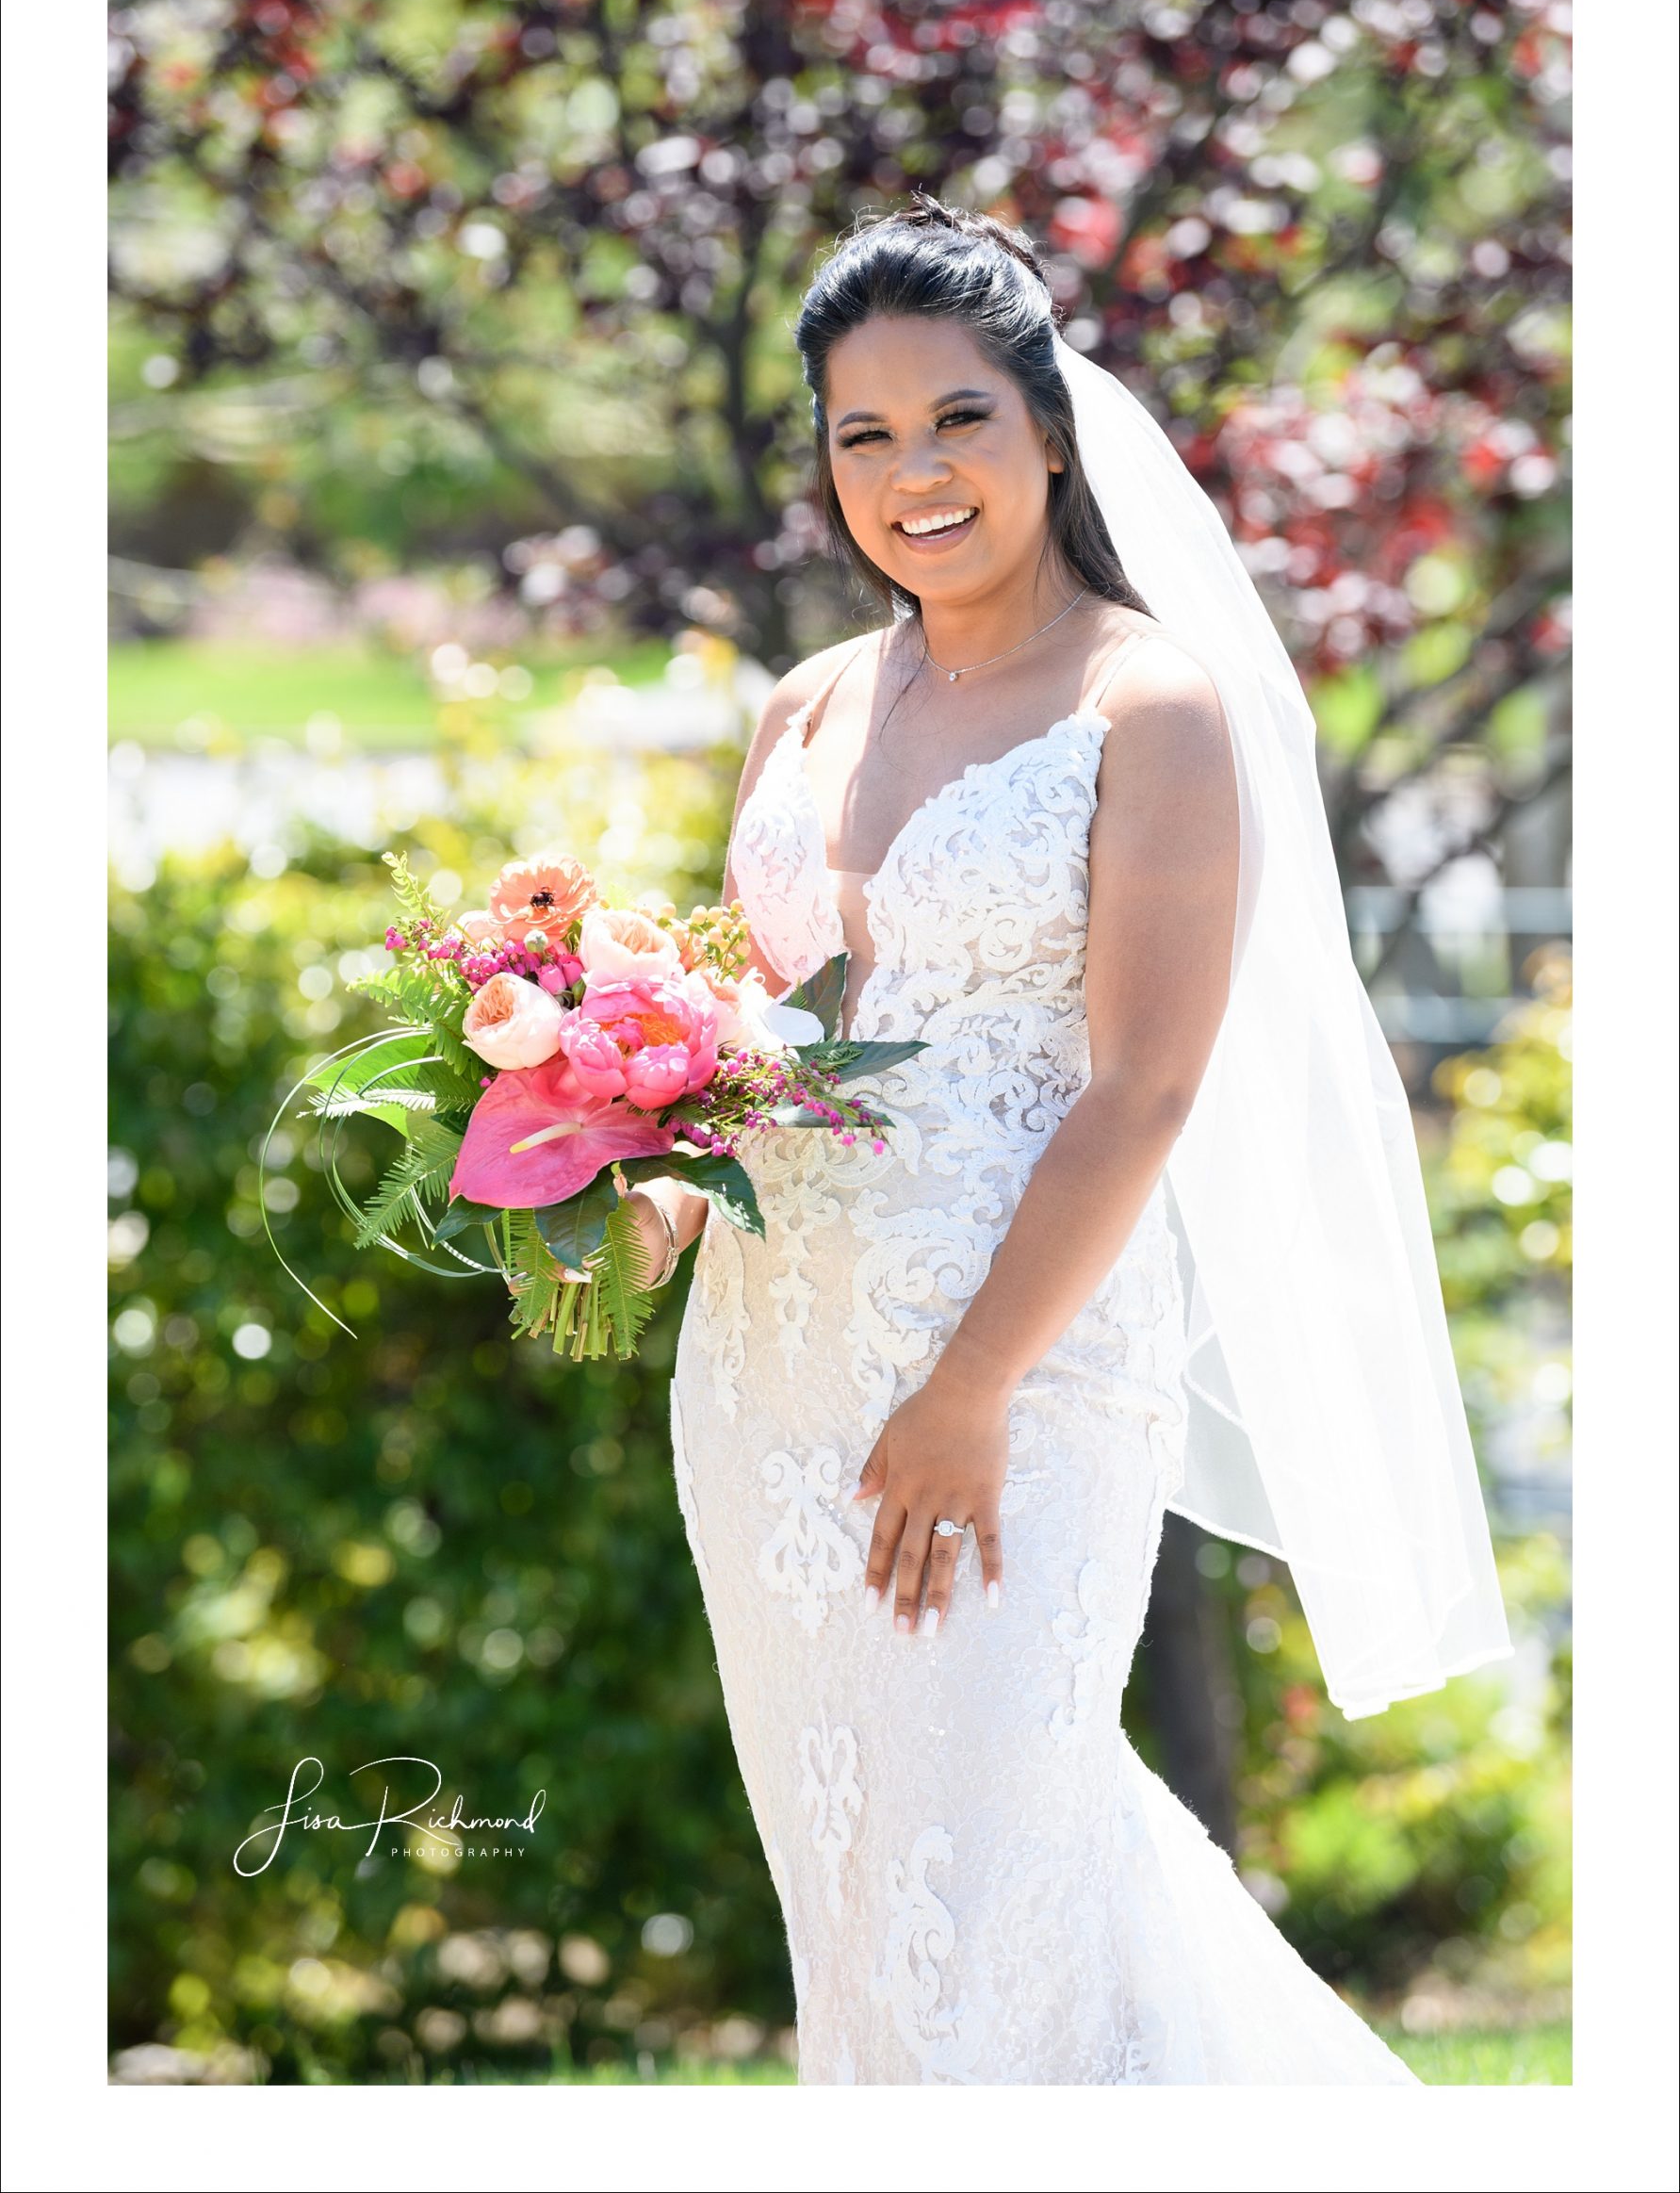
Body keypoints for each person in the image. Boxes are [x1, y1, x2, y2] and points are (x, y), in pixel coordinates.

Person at [620, 194, 1509, 2085]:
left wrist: (968, 1385)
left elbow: (1143, 1089)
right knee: (861, 1901)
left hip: (1011, 1384)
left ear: (1042, 423)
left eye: (952, 419)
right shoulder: (807, 704)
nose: (911, 473)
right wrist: (630, 1157)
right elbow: (762, 1025)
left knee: (991, 1870)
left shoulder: (1146, 706)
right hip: (765, 1387)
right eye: (862, 435)